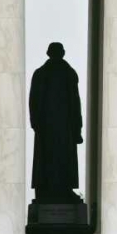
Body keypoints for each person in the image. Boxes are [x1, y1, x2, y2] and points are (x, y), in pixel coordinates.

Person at [29, 42, 83, 204]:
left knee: (48, 158)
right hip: (64, 127)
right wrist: (77, 128)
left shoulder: (40, 74)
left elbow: (33, 102)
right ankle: (63, 189)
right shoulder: (69, 73)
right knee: (62, 157)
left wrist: (36, 123)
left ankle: (47, 189)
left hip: (47, 127)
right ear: (62, 53)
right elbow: (75, 103)